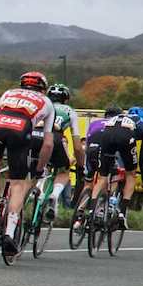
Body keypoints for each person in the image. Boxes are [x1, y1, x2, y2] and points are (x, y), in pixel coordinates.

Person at [0, 70, 56, 258]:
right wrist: (39, 168)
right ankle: (9, 233)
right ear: (43, 88)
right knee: (18, 183)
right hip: (20, 129)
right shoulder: (47, 102)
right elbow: (48, 144)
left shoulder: (8, 93)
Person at [44, 83, 79, 214]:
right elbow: (75, 140)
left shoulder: (43, 105)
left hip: (35, 136)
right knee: (64, 170)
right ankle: (55, 194)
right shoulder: (69, 111)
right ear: (66, 99)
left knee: (39, 167)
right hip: (56, 138)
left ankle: (39, 189)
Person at [123, 106, 143, 205]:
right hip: (126, 141)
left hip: (111, 137)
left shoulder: (122, 119)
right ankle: (123, 209)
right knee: (131, 174)